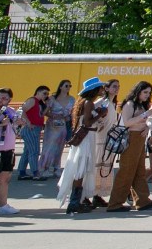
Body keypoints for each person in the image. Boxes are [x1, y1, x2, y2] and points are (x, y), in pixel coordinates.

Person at [54, 78, 108, 215]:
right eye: (100, 88)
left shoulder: (82, 102)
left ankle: (77, 201)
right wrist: (100, 115)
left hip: (85, 138)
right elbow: (88, 123)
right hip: (86, 138)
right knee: (81, 169)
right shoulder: (89, 103)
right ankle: (74, 203)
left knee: (80, 169)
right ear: (94, 90)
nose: (102, 90)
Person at [107, 81, 152, 212]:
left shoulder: (141, 105)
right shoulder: (130, 104)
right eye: (145, 92)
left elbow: (144, 122)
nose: (147, 95)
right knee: (126, 171)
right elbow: (127, 123)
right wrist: (146, 114)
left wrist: (147, 127)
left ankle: (142, 201)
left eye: (149, 93)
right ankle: (115, 203)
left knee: (140, 171)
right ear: (138, 92)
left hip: (140, 138)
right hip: (131, 138)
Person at [91, 79, 120, 207]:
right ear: (106, 88)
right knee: (96, 167)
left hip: (109, 139)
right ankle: (89, 194)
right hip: (100, 139)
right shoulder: (101, 102)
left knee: (105, 167)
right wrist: (98, 123)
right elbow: (89, 113)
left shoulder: (113, 103)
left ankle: (98, 195)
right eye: (114, 86)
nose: (117, 88)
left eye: (118, 87)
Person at [40, 79, 75, 177]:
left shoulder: (72, 99)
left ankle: (56, 167)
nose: (68, 88)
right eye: (66, 86)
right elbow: (46, 111)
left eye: (69, 86)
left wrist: (69, 119)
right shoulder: (52, 98)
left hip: (64, 125)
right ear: (60, 87)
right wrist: (53, 115)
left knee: (60, 147)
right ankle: (44, 167)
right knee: (49, 146)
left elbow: (73, 112)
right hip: (52, 125)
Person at [15, 85, 48, 182]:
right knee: (34, 150)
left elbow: (41, 115)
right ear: (38, 92)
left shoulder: (39, 103)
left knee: (28, 151)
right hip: (30, 128)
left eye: (47, 94)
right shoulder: (32, 100)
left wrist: (47, 106)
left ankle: (22, 172)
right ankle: (35, 173)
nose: (46, 95)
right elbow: (22, 111)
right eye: (44, 93)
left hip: (35, 128)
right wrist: (28, 123)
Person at [0, 88, 19, 215]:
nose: (0, 100)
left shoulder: (10, 111)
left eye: (4, 98)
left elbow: (18, 121)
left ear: (9, 100)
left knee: (4, 178)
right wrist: (0, 124)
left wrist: (20, 121)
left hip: (8, 149)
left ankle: (3, 206)